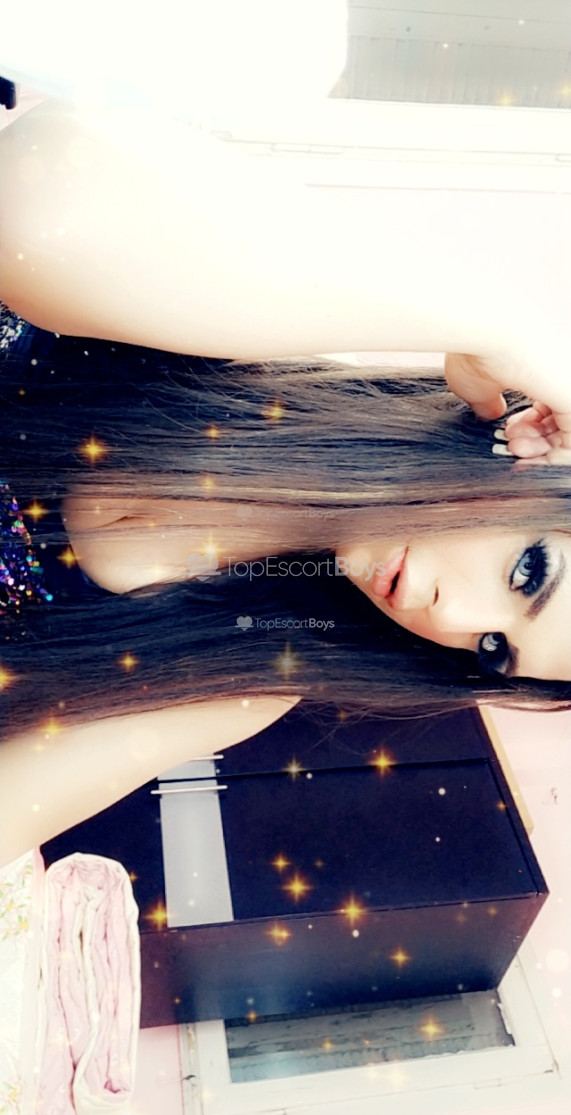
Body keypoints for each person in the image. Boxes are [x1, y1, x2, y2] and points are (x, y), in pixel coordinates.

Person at [1, 99, 571, 865]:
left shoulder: (251, 668)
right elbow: (37, 198)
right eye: (527, 570)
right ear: (539, 451)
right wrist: (496, 322)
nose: (452, 617)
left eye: (493, 649)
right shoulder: (263, 346)